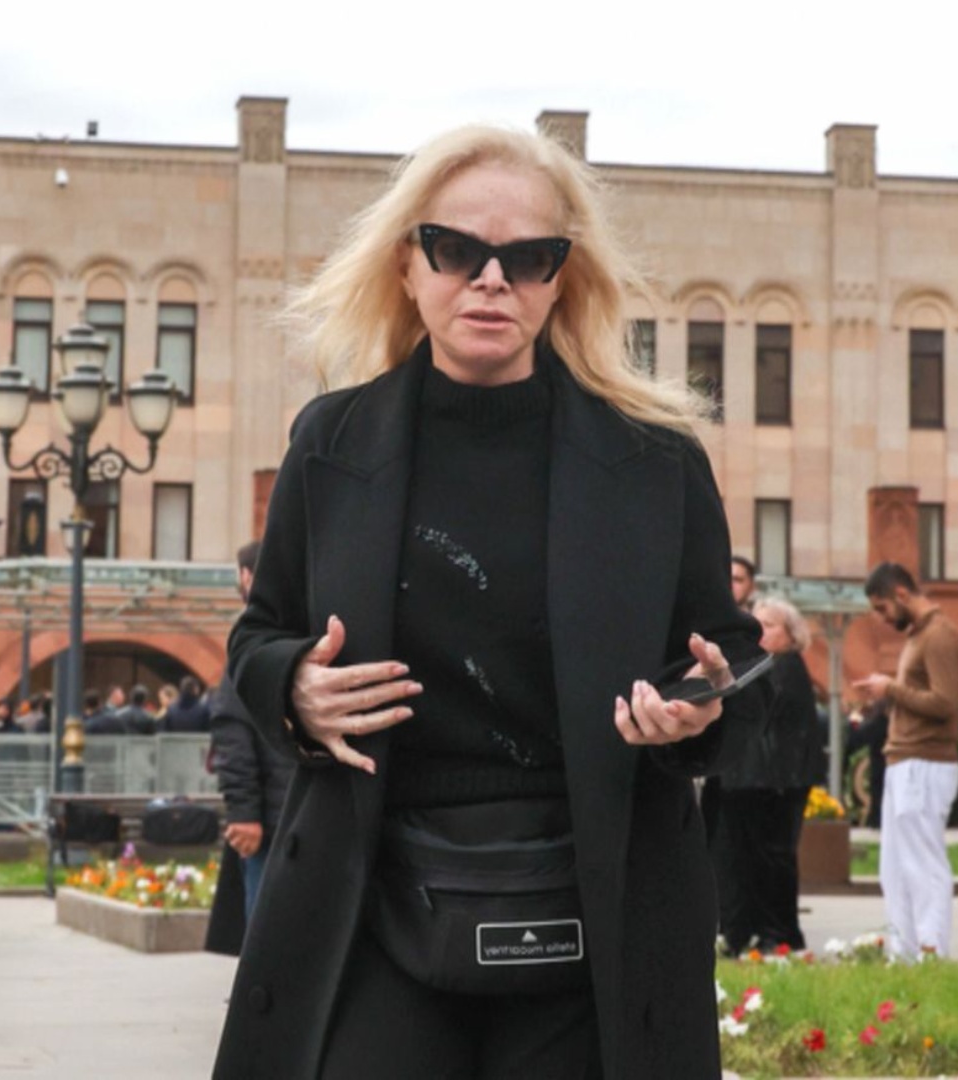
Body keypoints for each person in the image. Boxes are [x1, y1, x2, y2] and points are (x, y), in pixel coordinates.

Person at [213, 123, 762, 1080]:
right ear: (407, 265)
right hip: (371, 896)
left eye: (528, 257)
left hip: (596, 902)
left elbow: (726, 654)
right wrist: (294, 686)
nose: (491, 280)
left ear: (562, 277)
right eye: (457, 249)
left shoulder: (654, 459)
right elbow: (259, 636)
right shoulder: (332, 443)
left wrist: (695, 706)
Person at [854, 561, 958, 960]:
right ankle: (904, 952)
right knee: (896, 867)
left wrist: (891, 689)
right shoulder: (920, 635)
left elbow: (945, 703)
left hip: (926, 761)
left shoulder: (940, 635)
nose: (882, 618)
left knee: (923, 862)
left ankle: (931, 951)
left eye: (882, 608)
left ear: (901, 594)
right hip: (906, 759)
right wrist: (887, 695)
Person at [707, 597, 821, 954]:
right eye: (755, 624)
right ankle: (746, 932)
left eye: (769, 625)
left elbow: (760, 717)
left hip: (773, 782)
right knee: (742, 860)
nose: (760, 631)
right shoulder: (764, 666)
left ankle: (778, 934)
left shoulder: (784, 666)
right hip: (753, 780)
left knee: (770, 860)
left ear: (791, 634)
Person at [206, 540, 296, 952]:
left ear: (246, 576)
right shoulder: (299, 627)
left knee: (267, 941)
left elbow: (232, 730)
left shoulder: (251, 638)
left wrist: (244, 813)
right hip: (291, 814)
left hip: (271, 821)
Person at [845, 698, 889, 829]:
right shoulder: (886, 720)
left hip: (881, 770)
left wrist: (854, 715)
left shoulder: (880, 721)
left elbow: (857, 736)